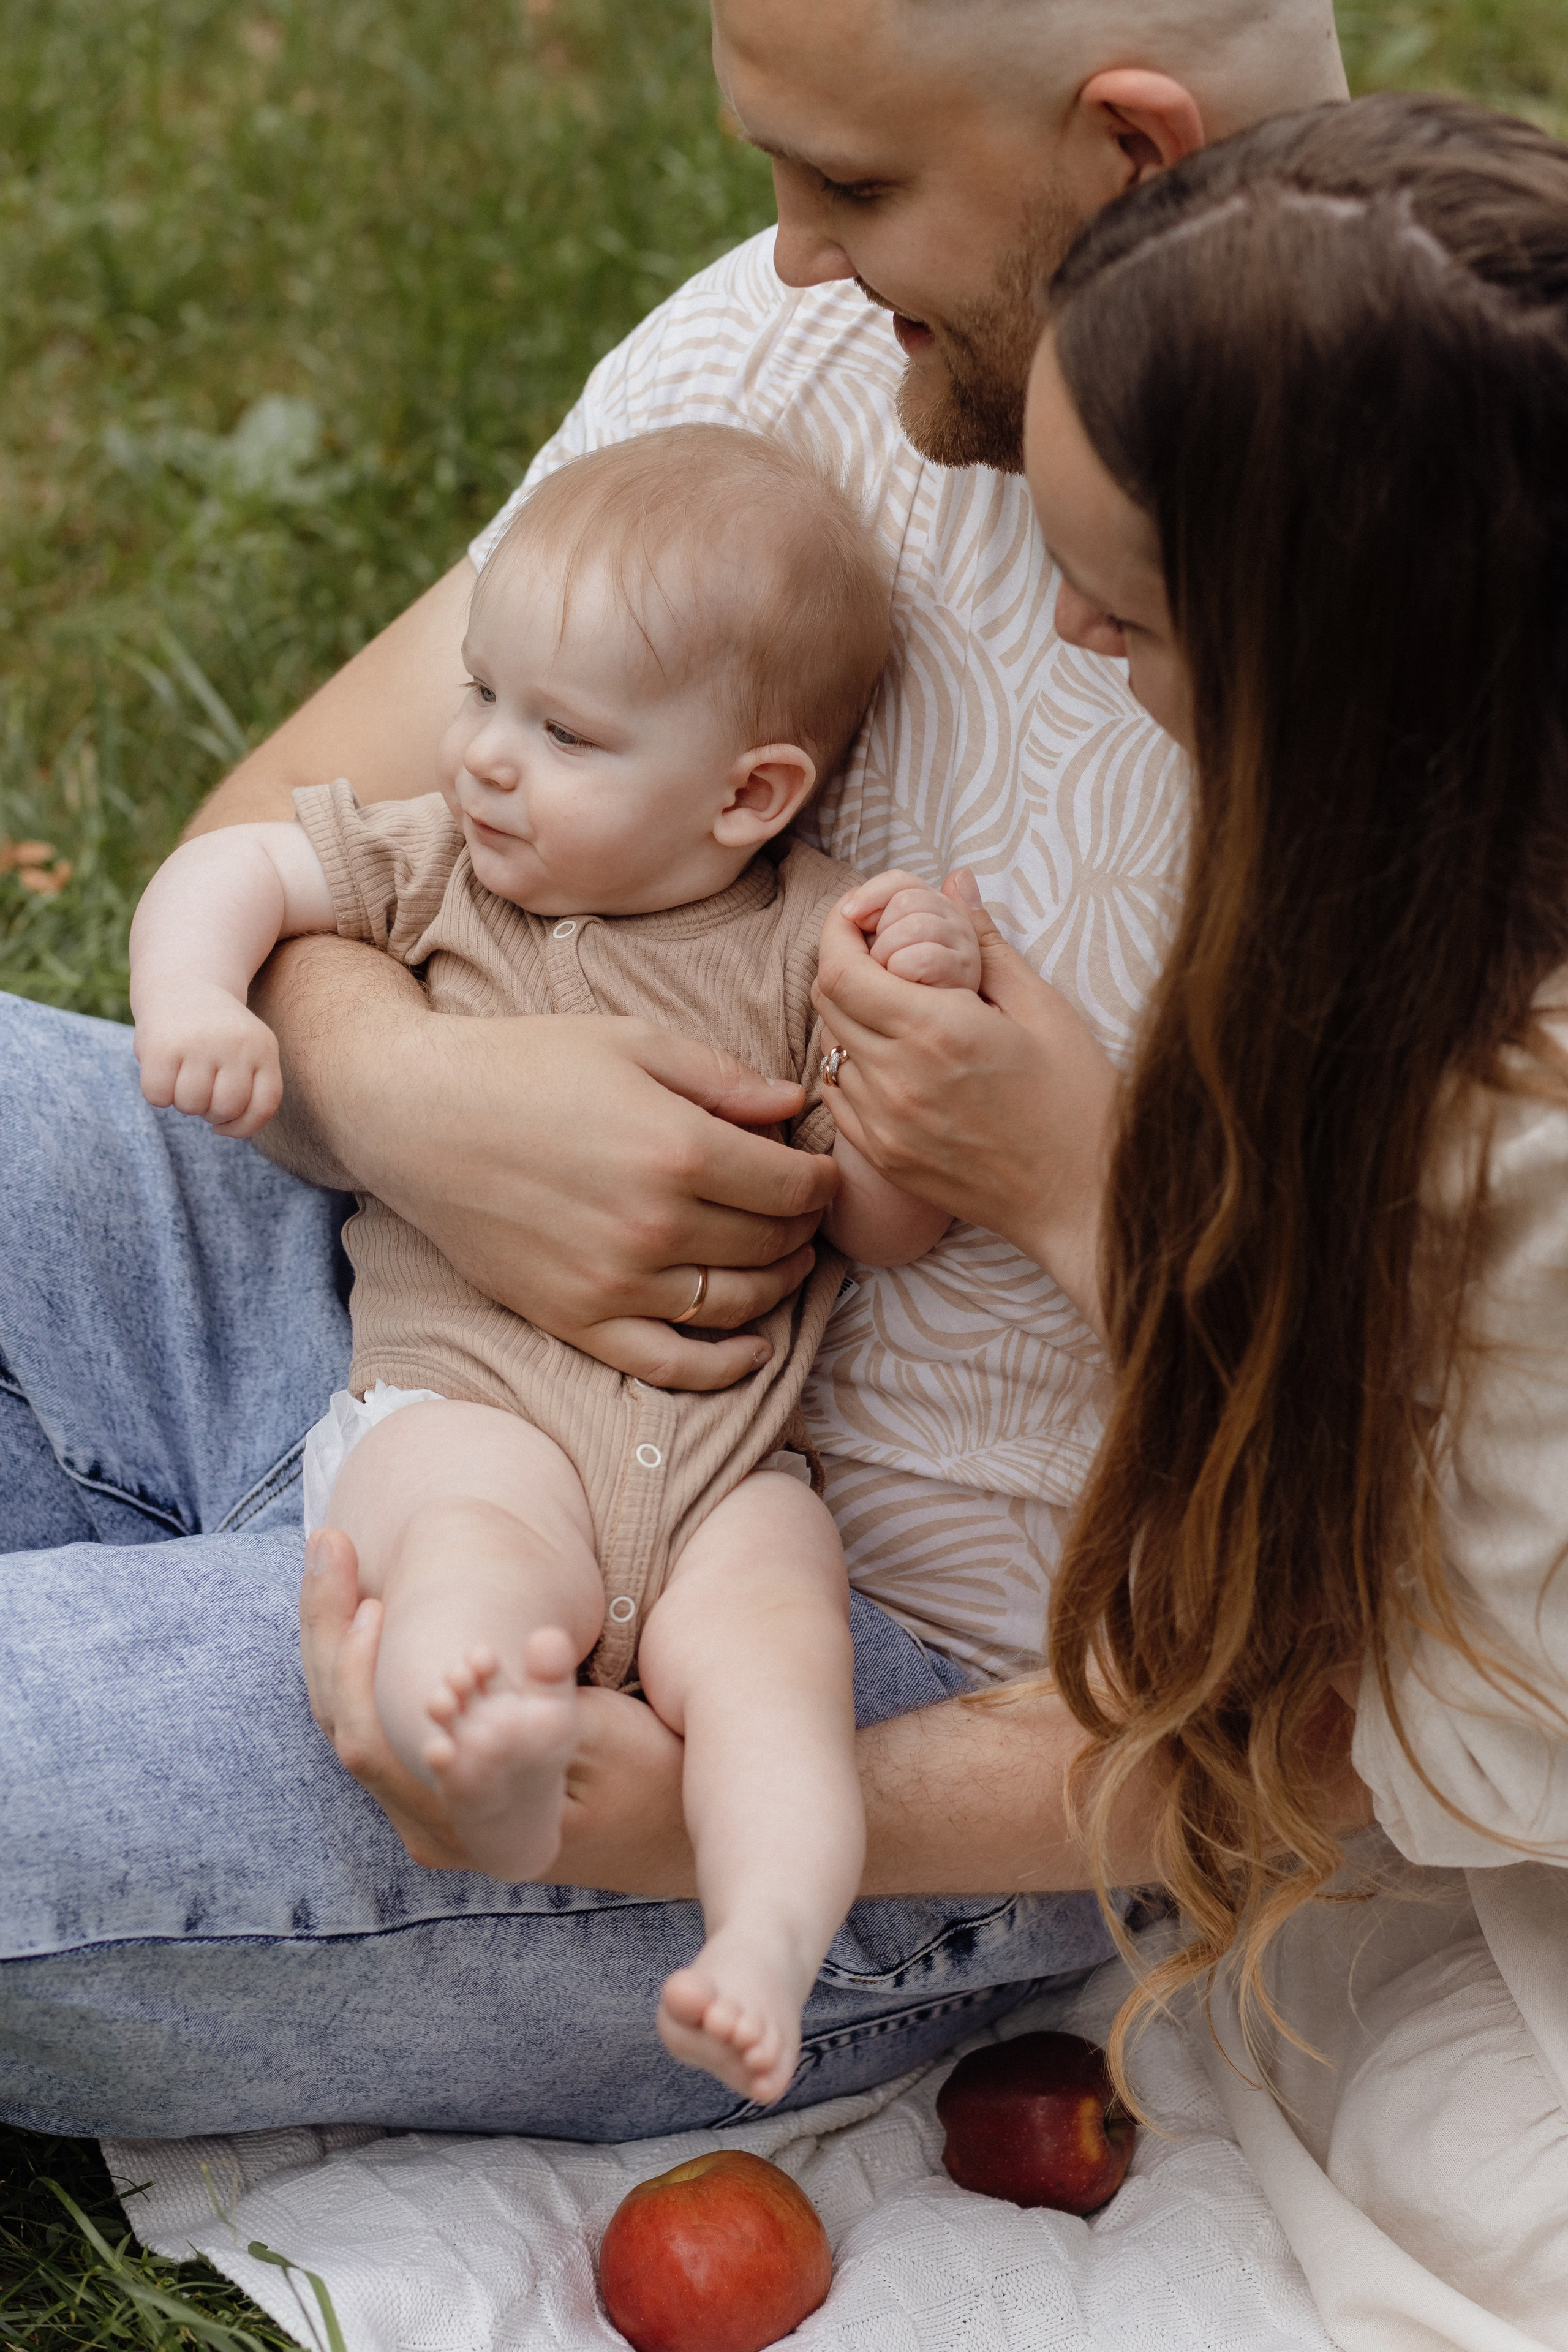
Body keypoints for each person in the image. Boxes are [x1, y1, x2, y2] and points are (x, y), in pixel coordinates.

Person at [0, 0, 1351, 2140]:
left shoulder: (1436, 653)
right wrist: (426, 1104)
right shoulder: (803, 339)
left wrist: (699, 1823)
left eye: (855, 185)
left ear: (1129, 148)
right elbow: (289, 831)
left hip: (788, 1672)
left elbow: (1372, 1666)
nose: (792, 255)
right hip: (377, 1309)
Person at [128, 421, 987, 2103]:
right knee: (466, 1541)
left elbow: (884, 1229)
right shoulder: (445, 862)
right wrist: (195, 1004)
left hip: (731, 1470)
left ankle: (761, 1938)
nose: (489, 759)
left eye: (564, 730)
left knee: (780, 1672)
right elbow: (232, 865)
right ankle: (497, 1758)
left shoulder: (821, 942)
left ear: (750, 792)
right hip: (472, 1400)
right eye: (483, 697)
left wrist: (920, 1038)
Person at [948, 89, 1564, 2350]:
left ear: (1343, 671)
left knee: (1391, 2095)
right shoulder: (1446, 926)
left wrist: (743, 1810)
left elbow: (1397, 1720)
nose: (1072, 639)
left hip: (1502, 1826)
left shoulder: (1520, 1142)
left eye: (1123, 609)